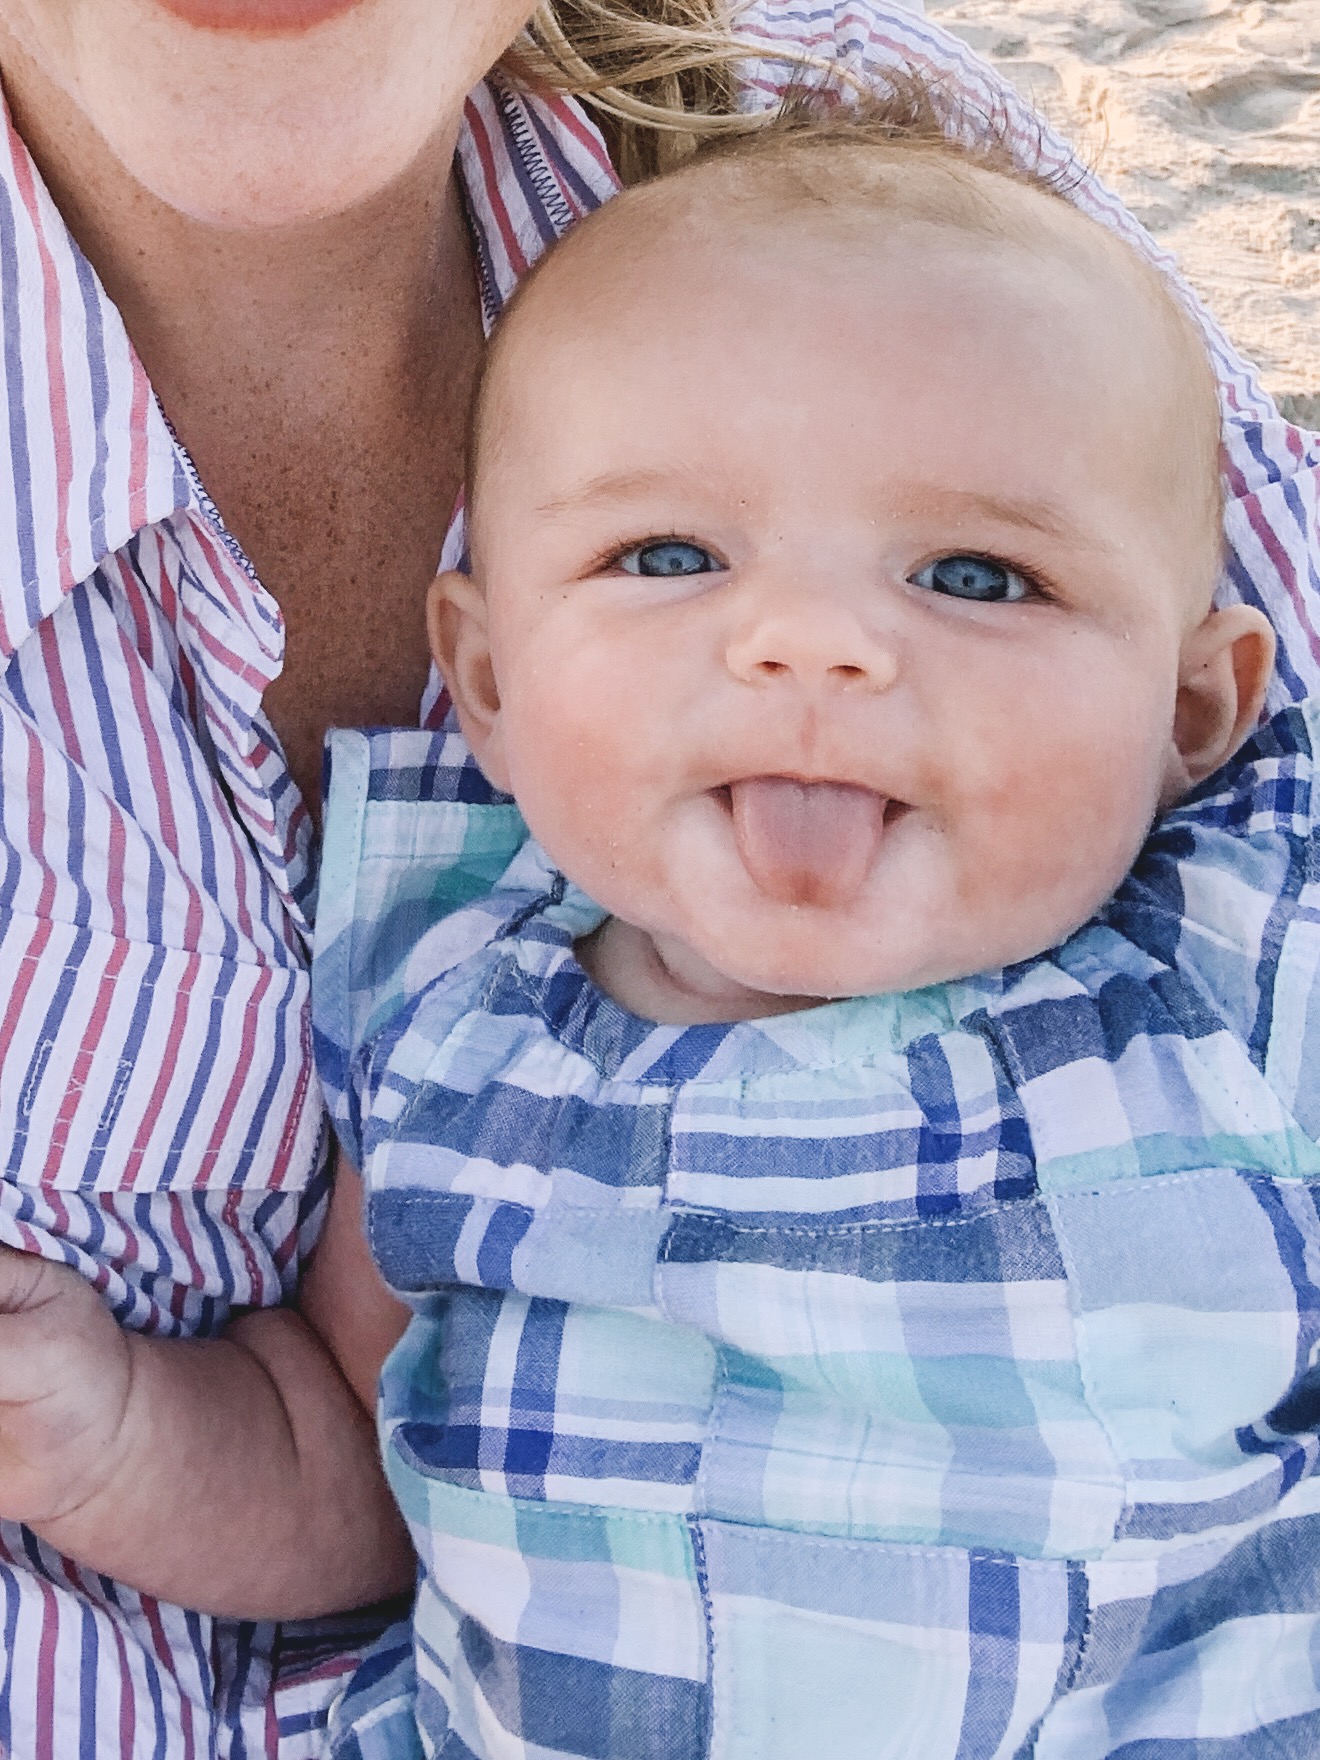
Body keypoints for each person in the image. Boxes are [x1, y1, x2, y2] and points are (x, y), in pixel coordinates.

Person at [0, 5, 1316, 1760]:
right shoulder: (460, 1019)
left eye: (978, 578)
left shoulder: (1227, 969)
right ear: (478, 683)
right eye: (671, 557)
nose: (811, 647)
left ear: (1199, 707)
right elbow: (353, 1450)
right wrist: (115, 1436)